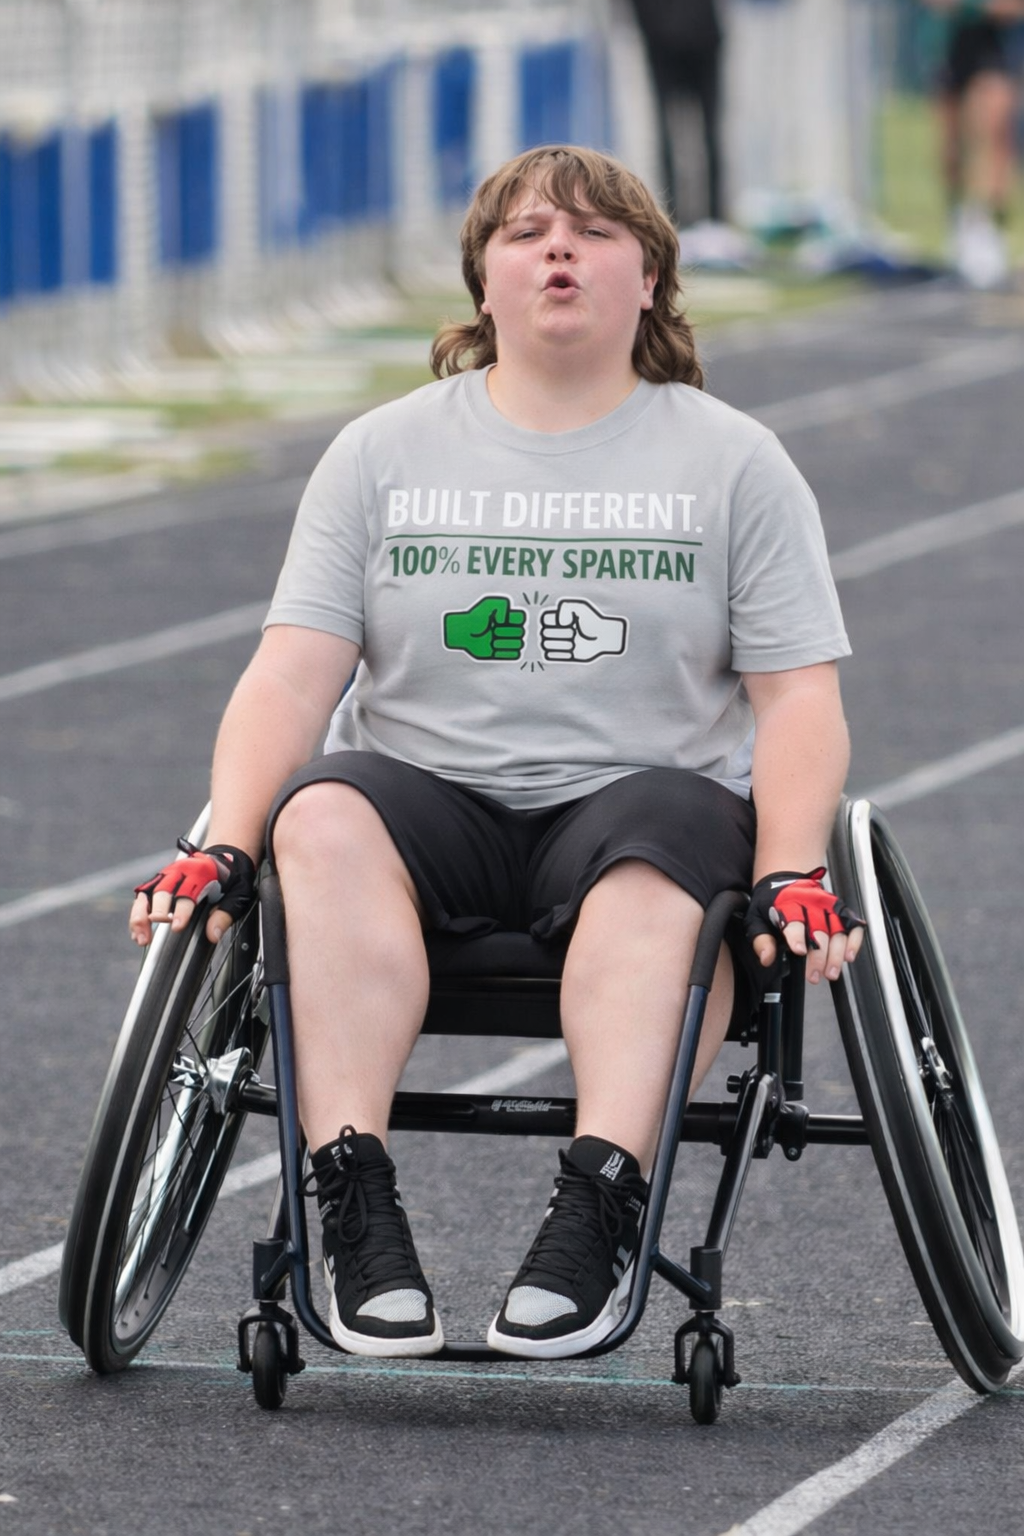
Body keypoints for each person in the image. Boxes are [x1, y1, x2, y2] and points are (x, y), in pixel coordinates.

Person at [130, 145, 864, 1363]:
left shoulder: (734, 462)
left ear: (650, 281)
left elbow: (798, 701)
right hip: (430, 806)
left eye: (592, 231)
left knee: (660, 862)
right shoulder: (380, 454)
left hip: (641, 804)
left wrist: (791, 867)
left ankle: (598, 1203)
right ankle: (353, 1195)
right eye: (526, 234)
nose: (558, 250)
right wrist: (221, 843)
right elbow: (293, 674)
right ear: (485, 285)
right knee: (316, 815)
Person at [922, 0, 1024, 287]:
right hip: (949, 45)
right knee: (951, 146)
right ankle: (958, 225)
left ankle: (989, 227)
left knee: (992, 136)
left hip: (993, 47)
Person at [628, 0, 725, 225]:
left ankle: (714, 219)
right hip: (661, 45)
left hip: (703, 39)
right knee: (667, 137)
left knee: (710, 135)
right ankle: (672, 218)